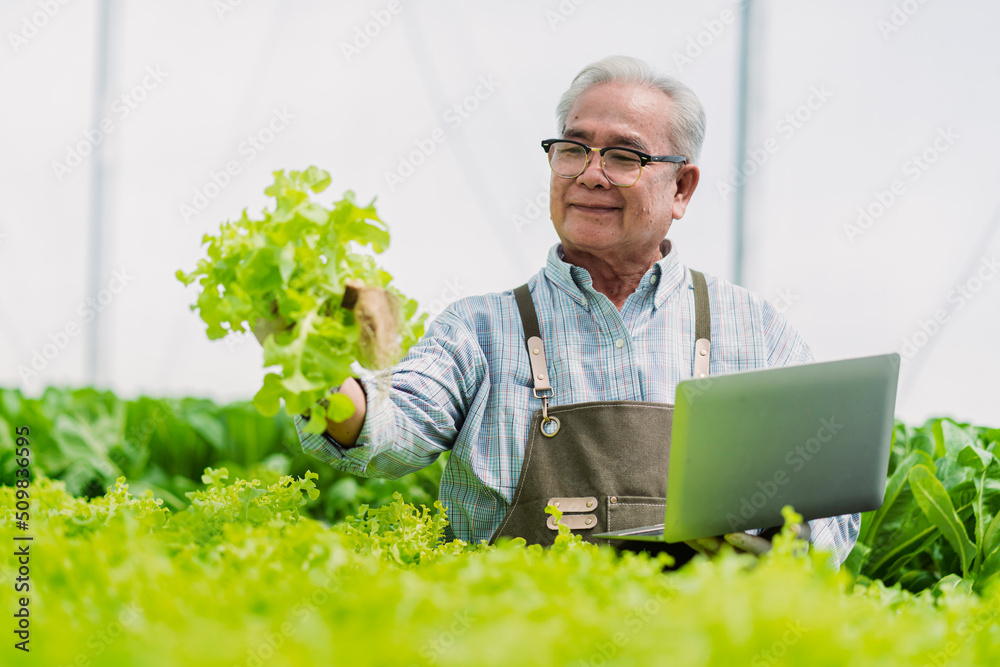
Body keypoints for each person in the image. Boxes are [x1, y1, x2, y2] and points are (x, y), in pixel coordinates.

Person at [256, 55, 859, 568]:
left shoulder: (754, 333)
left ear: (682, 189)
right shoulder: (480, 331)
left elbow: (827, 515)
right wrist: (309, 357)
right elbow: (385, 432)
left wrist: (772, 548)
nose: (590, 174)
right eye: (573, 149)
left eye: (624, 157)